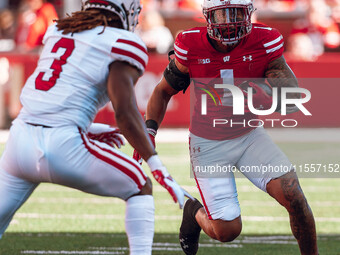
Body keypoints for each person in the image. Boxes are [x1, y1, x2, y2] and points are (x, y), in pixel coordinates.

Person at [0, 0, 188, 254]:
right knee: (139, 185)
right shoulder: (122, 42)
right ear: (123, 11)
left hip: (19, 141)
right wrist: (157, 165)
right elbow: (125, 111)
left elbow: (52, 95)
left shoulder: (60, 30)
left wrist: (86, 128)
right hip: (62, 146)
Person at [133, 0, 319, 254]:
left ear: (249, 13)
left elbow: (291, 100)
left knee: (295, 197)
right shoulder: (190, 44)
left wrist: (264, 93)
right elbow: (162, 92)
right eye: (222, 14)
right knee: (227, 231)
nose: (229, 21)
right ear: (208, 17)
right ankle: (193, 212)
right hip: (209, 143)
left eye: (236, 13)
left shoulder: (265, 40)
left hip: (249, 135)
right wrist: (150, 130)